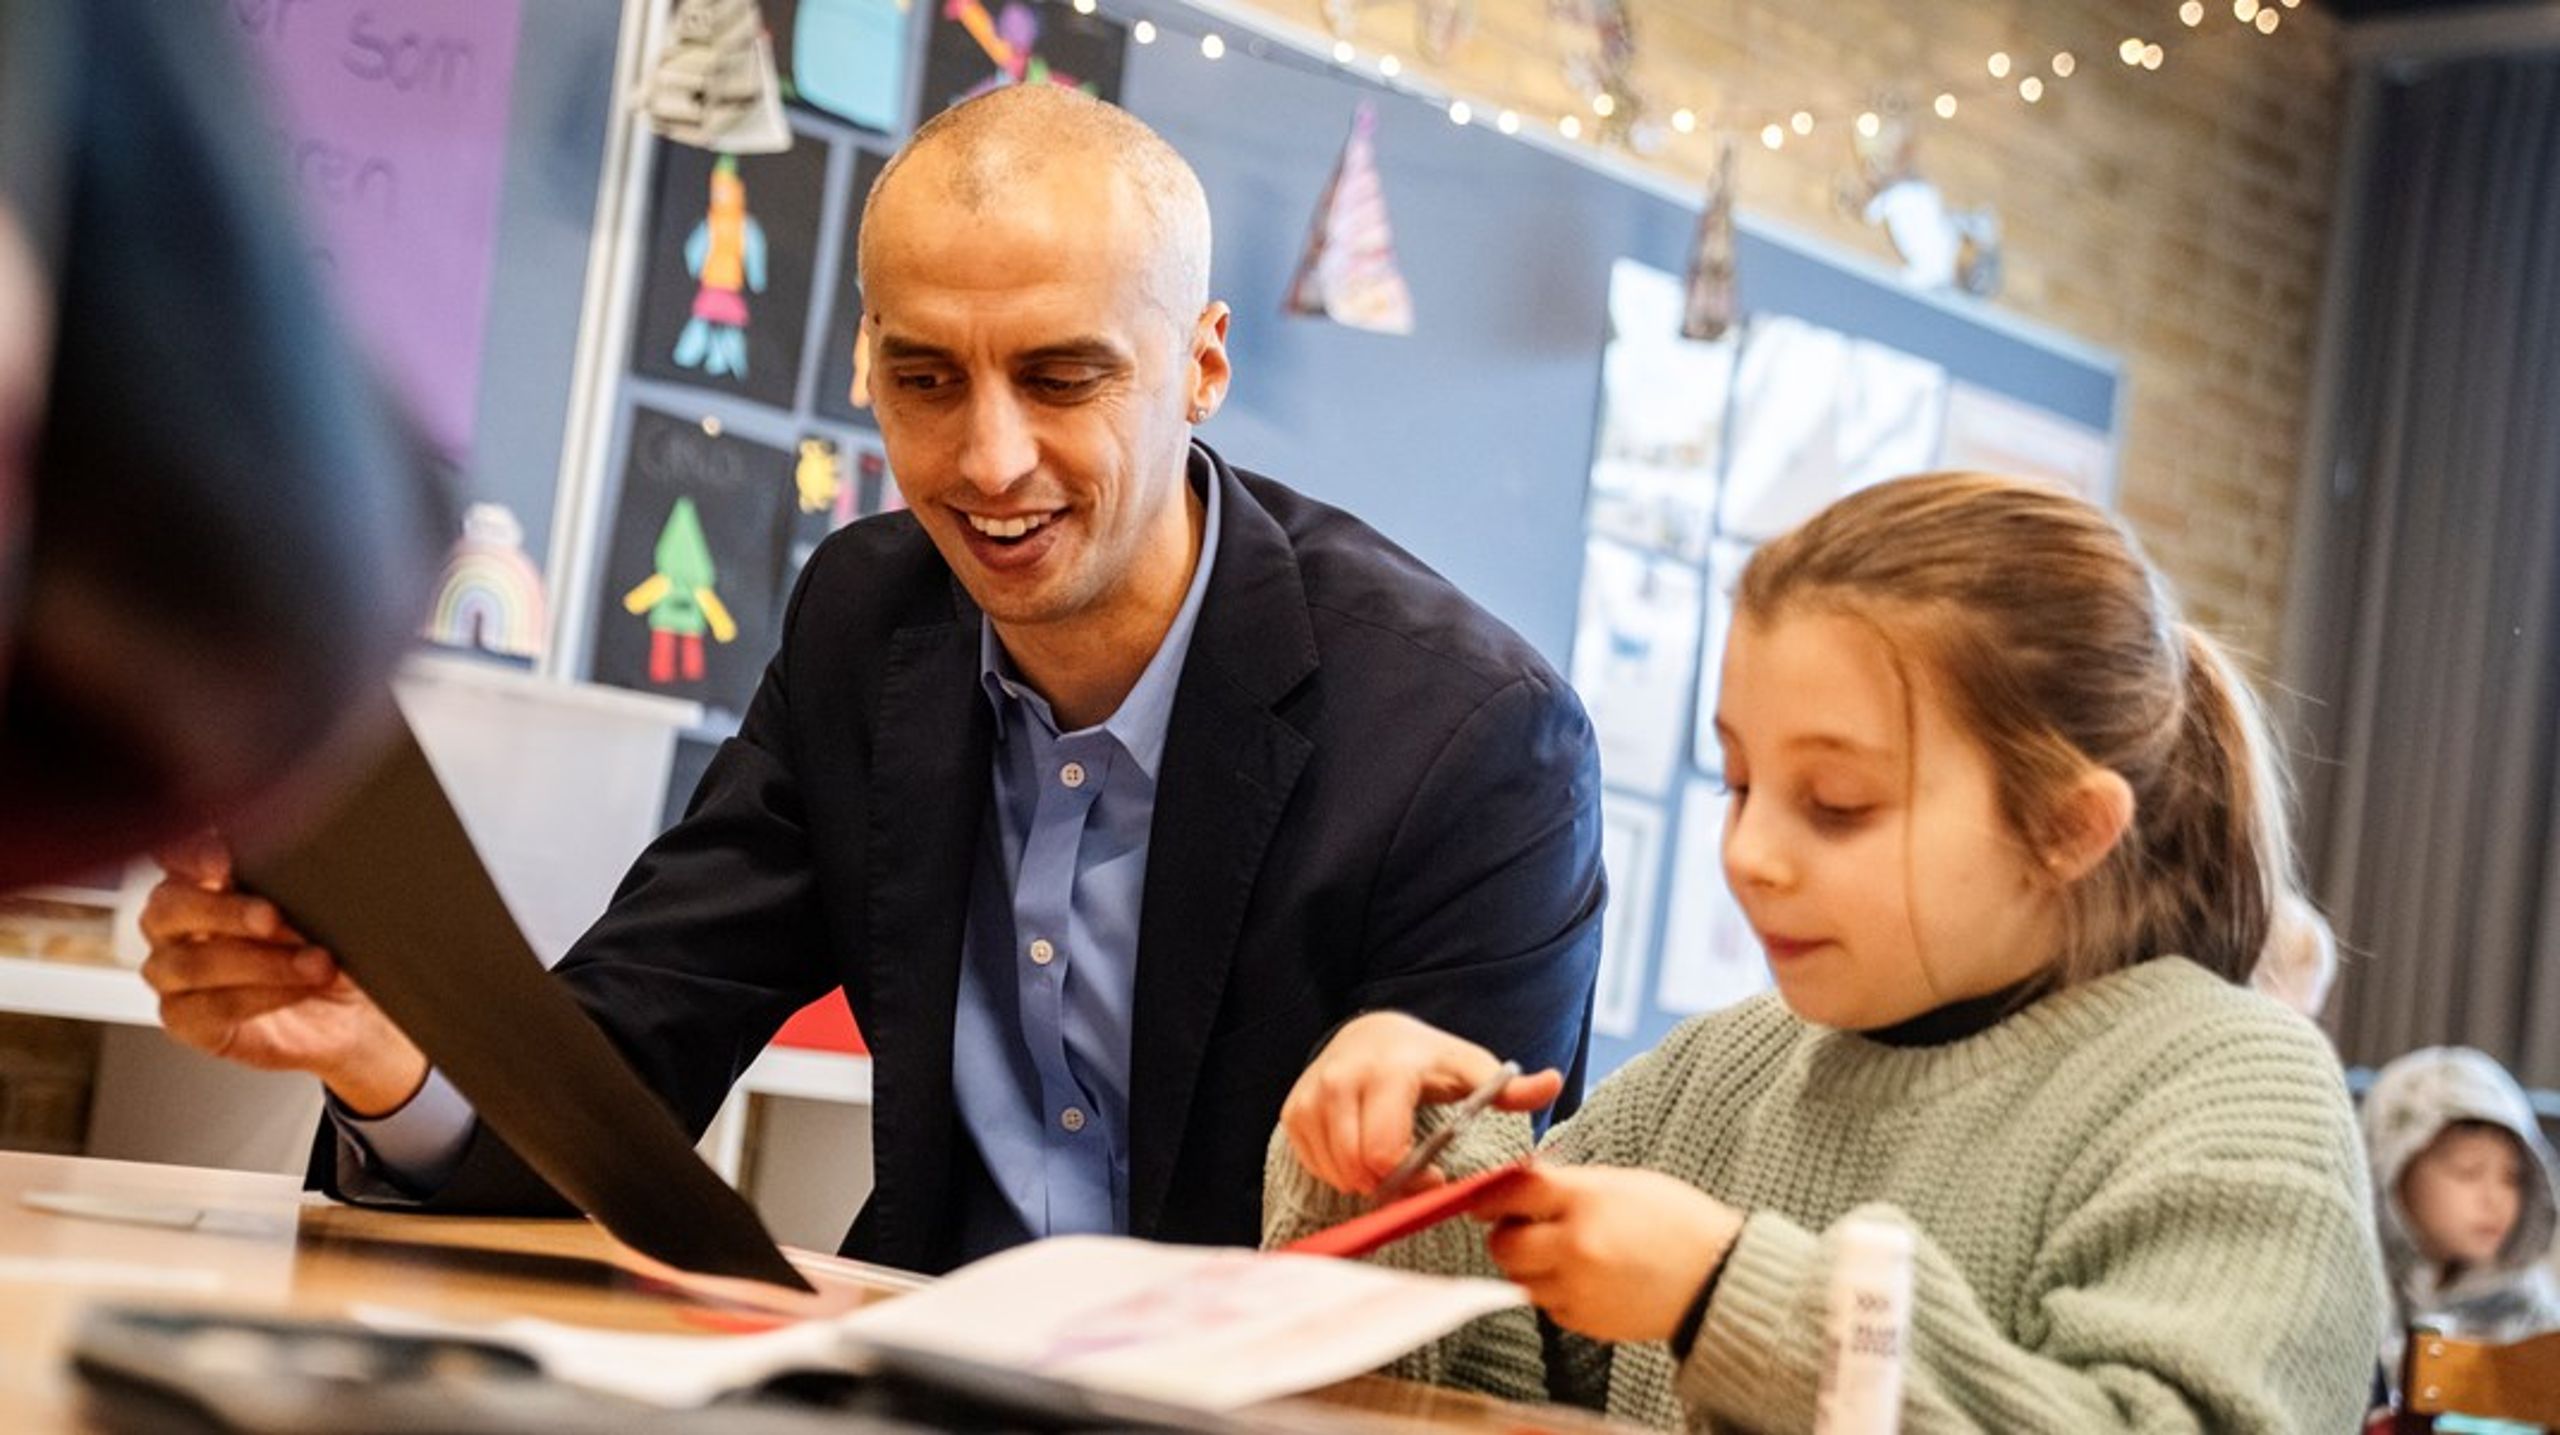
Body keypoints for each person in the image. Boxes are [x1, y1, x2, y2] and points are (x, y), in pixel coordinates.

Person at [140, 85, 1604, 1275]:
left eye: (1061, 376)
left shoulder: (1473, 744)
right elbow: (634, 1044)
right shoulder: (871, 619)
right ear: (865, 358)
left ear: (1203, 363)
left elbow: (1452, 1271)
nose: (986, 460)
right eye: (924, 378)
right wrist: (389, 1048)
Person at [1268, 473, 2384, 1431]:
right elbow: (1482, 1385)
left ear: (2066, 828)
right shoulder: (1719, 1074)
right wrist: (1392, 1170)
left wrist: (1721, 1294)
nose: (1750, 854)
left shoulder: (2234, 1095)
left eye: (1838, 804)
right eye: (1738, 782)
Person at [2364, 1046, 2560, 1375]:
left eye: (2513, 1179)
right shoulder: (2359, 1294)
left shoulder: (2529, 1310)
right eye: (2467, 1171)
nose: (2494, 1199)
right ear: (2394, 1170)